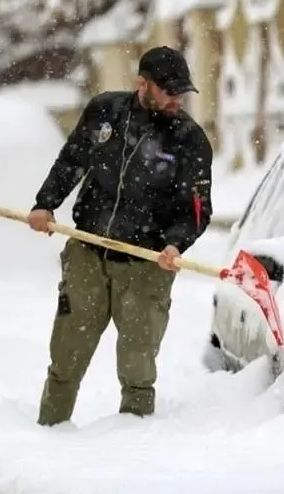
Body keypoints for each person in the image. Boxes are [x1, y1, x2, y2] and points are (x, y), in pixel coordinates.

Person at [26, 46, 213, 426]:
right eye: (168, 90)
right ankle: (47, 438)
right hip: (87, 254)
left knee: (137, 368)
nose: (176, 98)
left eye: (181, 90)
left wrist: (176, 243)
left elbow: (196, 209)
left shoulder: (189, 140)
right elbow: (72, 159)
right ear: (142, 83)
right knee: (66, 356)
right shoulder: (105, 112)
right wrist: (46, 203)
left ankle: (131, 454)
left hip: (146, 267)